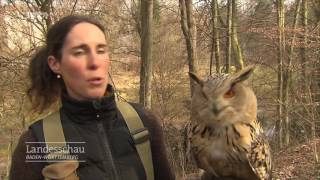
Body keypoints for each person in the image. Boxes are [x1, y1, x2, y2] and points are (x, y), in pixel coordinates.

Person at [9, 15, 175, 180]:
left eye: (101, 50)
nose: (95, 62)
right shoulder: (35, 144)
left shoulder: (142, 122)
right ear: (55, 64)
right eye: (80, 52)